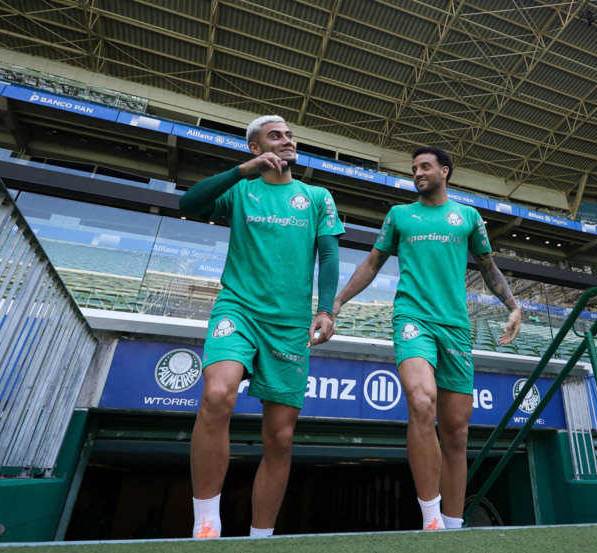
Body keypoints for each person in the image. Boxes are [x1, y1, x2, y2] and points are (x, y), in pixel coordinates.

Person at [321, 145, 521, 531]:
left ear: (445, 171)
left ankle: (453, 526)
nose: (417, 173)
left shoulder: (468, 217)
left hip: (455, 327)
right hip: (412, 319)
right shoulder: (400, 215)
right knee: (421, 400)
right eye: (414, 168)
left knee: (457, 432)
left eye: (425, 166)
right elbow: (372, 263)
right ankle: (431, 519)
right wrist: (338, 301)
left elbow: (488, 266)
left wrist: (513, 306)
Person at [180, 115, 343, 538]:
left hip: (290, 324)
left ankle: (260, 537)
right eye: (276, 136)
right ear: (256, 148)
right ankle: (205, 524)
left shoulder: (317, 196)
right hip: (238, 309)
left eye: (290, 135)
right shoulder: (240, 190)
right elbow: (188, 204)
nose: (287, 140)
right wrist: (242, 171)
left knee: (280, 437)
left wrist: (326, 310)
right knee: (217, 393)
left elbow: (328, 256)